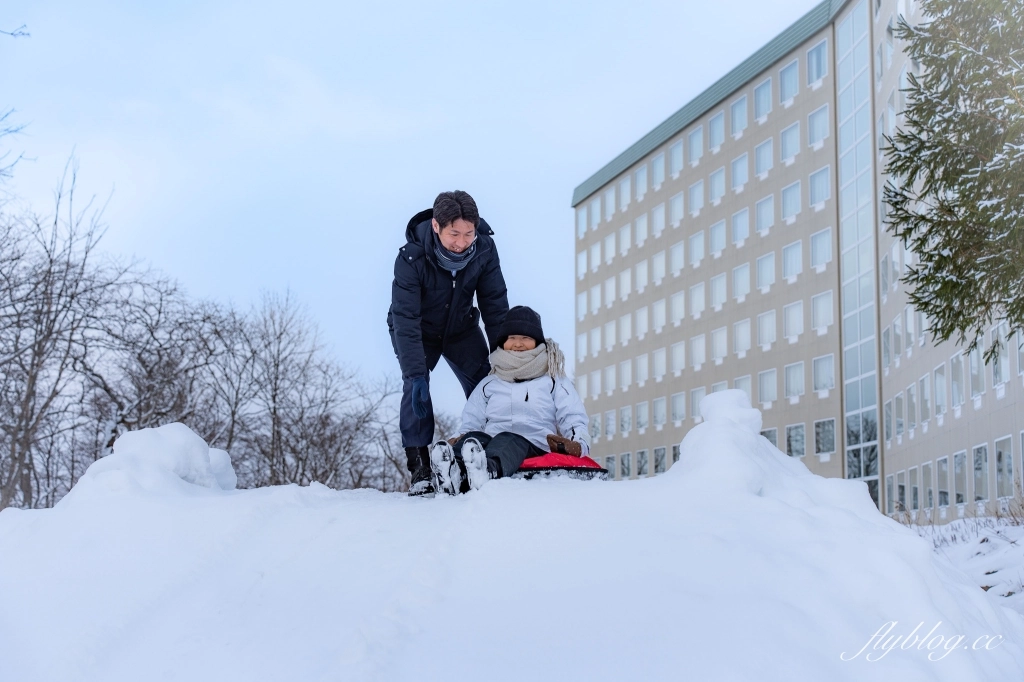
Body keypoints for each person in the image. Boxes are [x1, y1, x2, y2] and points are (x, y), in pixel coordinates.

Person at [388, 190, 509, 496]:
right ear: (436, 227)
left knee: (488, 385)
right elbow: (405, 320)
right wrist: (416, 373)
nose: (462, 242)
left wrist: (504, 359)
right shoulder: (411, 258)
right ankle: (421, 468)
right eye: (454, 233)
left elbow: (495, 305)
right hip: (418, 330)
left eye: (468, 233)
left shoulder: (484, 250)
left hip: (460, 329)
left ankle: (489, 453)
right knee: (417, 388)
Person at [428, 306, 590, 495]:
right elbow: (472, 421)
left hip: (535, 444)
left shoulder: (553, 379)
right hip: (491, 441)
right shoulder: (489, 383)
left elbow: (573, 416)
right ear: (503, 342)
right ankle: (451, 471)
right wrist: (460, 438)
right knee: (475, 438)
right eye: (512, 337)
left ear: (537, 342)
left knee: (507, 439)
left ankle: (486, 471)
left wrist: (578, 444)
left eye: (525, 338)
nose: (518, 343)